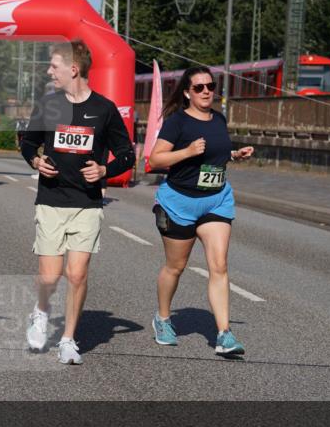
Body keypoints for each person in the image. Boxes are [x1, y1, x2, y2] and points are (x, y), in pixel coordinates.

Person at [21, 39, 135, 365]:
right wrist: (34, 161)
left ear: (74, 69)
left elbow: (127, 154)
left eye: (54, 66)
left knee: (77, 274)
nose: (49, 71)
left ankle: (68, 339)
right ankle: (41, 313)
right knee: (50, 275)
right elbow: (28, 144)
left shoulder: (104, 109)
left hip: (86, 203)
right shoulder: (47, 105)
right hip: (52, 199)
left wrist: (105, 170)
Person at [147, 66, 254, 356]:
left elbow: (215, 153)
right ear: (187, 93)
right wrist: (186, 152)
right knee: (176, 267)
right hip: (179, 203)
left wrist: (233, 154)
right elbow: (155, 158)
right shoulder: (177, 122)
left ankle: (224, 334)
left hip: (216, 200)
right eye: (199, 87)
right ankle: (163, 318)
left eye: (210, 85)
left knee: (219, 265)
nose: (206, 91)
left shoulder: (218, 119)